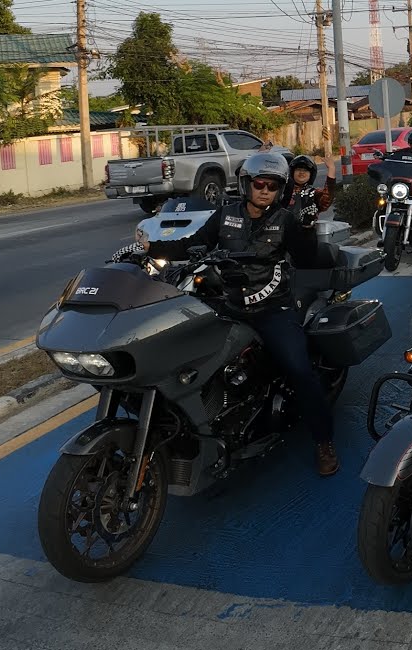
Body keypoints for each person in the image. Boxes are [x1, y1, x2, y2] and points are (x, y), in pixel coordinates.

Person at [114, 154, 340, 476]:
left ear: (279, 189)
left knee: (299, 370)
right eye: (259, 184)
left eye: (272, 186)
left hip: (271, 309)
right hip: (228, 303)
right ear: (247, 184)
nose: (264, 191)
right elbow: (193, 244)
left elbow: (306, 257)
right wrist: (151, 250)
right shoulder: (225, 215)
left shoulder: (285, 220)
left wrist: (306, 228)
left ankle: (324, 441)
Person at [285, 155, 335, 227]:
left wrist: (331, 169)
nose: (301, 172)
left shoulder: (314, 194)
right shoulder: (283, 192)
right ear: (292, 172)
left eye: (305, 170)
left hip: (307, 235)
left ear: (311, 175)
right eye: (298, 169)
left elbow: (327, 199)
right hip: (283, 234)